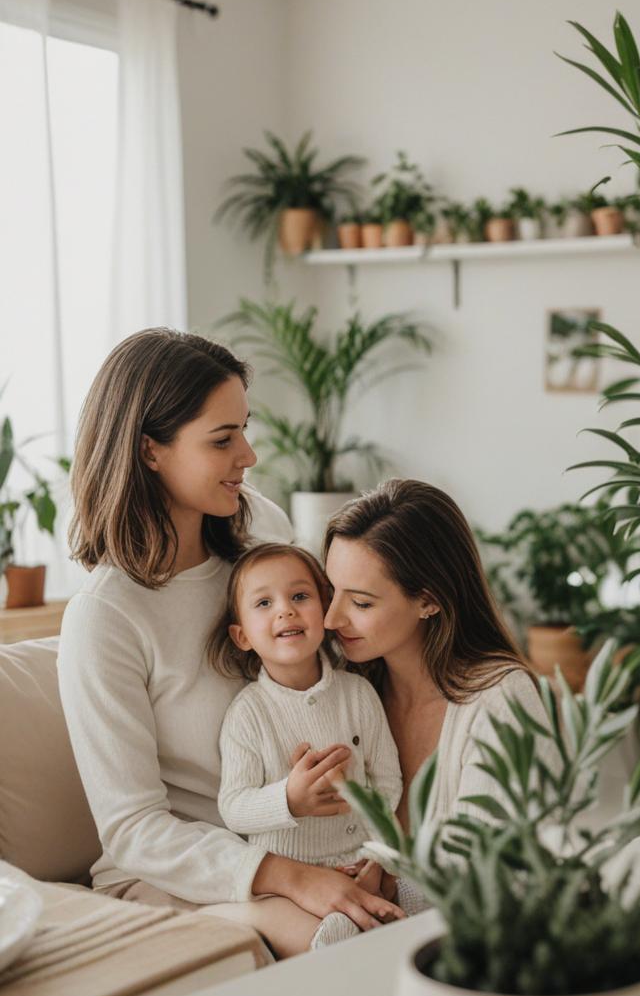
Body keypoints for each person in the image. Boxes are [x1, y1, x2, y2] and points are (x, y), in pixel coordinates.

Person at [58, 328, 403, 960]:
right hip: (189, 875)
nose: (247, 455)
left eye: (243, 428)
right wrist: (290, 879)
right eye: (222, 439)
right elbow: (133, 829)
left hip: (314, 843)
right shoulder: (106, 618)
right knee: (351, 945)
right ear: (149, 451)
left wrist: (366, 848)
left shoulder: (261, 529)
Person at [322, 478, 547, 907]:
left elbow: (493, 872)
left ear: (428, 600)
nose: (332, 618)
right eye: (331, 591)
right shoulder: (342, 689)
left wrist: (390, 884)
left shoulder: (502, 701)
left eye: (361, 603)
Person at [210, 541, 403, 949]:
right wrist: (289, 799)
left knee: (422, 899)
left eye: (300, 596)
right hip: (292, 883)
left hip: (359, 860)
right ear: (242, 635)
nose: (285, 610)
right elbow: (233, 806)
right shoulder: (248, 714)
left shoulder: (358, 694)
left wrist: (379, 858)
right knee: (339, 933)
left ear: (325, 610)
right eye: (264, 603)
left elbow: (386, 783)